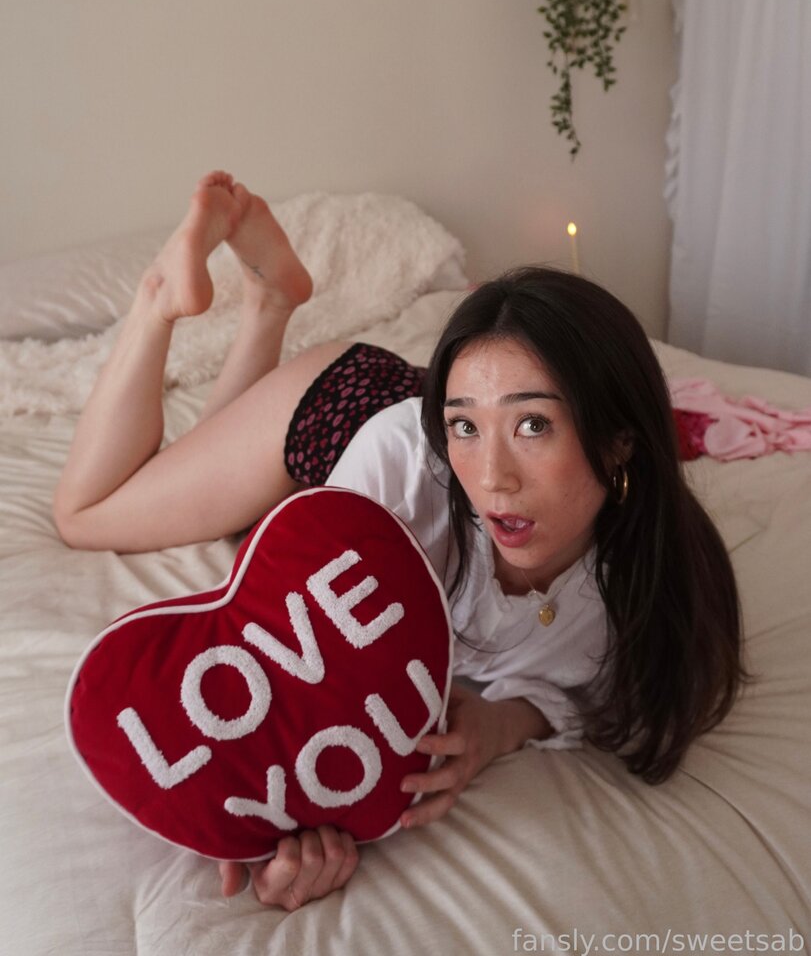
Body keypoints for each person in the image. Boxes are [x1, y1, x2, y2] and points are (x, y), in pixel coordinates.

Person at [53, 172, 746, 912]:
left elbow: (599, 694)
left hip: (421, 426)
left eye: (534, 426)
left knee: (220, 503)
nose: (493, 480)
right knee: (87, 513)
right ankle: (164, 294)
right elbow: (284, 654)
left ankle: (270, 298)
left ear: (618, 442)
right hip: (338, 409)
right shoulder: (405, 467)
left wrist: (503, 723)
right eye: (466, 428)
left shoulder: (652, 578)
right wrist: (247, 822)